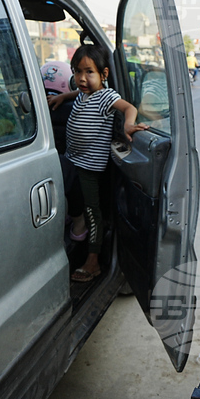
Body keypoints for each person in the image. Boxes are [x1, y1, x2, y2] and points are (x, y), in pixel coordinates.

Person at [47, 44, 147, 282]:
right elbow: (78, 92)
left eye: (89, 72)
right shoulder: (84, 93)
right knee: (70, 202)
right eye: (77, 72)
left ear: (104, 74)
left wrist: (128, 123)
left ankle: (93, 261)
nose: (81, 78)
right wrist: (62, 96)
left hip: (89, 168)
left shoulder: (106, 96)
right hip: (73, 162)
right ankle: (76, 232)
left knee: (92, 212)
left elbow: (128, 107)